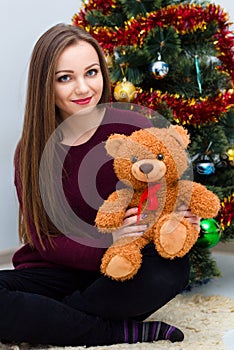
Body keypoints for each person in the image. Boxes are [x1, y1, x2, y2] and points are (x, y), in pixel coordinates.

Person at [0, 23, 200, 347]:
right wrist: (107, 240)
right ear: (45, 86)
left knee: (171, 270)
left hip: (123, 270)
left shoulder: (134, 126)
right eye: (65, 78)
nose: (83, 88)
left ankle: (48, 322)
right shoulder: (32, 150)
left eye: (91, 72)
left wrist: (178, 217)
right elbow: (43, 239)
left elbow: (164, 193)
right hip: (58, 269)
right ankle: (114, 331)